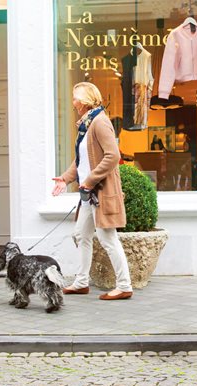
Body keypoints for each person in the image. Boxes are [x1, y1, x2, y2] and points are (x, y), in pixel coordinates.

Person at [51, 82, 133, 301]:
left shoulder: (100, 122)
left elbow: (113, 156)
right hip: (89, 194)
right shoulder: (87, 124)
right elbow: (81, 160)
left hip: (101, 192)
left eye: (76, 98)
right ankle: (81, 282)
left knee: (108, 239)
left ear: (86, 100)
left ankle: (124, 285)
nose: (74, 102)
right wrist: (66, 178)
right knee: (81, 235)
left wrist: (89, 180)